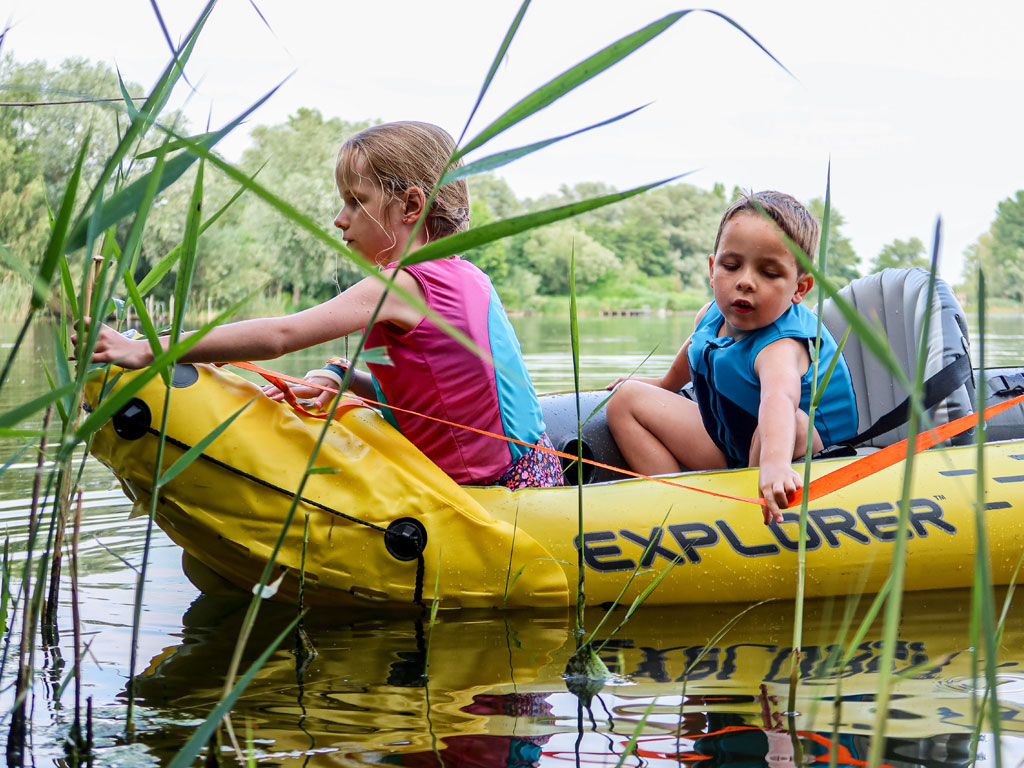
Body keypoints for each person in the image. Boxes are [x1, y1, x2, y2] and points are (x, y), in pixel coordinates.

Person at [80, 121, 563, 489]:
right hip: (533, 467)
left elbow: (280, 336)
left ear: (411, 206)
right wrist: (342, 374)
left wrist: (146, 350)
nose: (339, 219)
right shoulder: (466, 276)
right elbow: (437, 396)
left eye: (356, 201)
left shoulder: (398, 285)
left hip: (495, 489)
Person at [606, 191, 857, 523]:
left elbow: (779, 399)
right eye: (731, 266)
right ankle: (676, 508)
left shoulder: (781, 347)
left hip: (792, 453)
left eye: (768, 273)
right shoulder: (710, 315)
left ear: (800, 288)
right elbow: (697, 347)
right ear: (713, 269)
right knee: (624, 401)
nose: (745, 282)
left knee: (796, 424)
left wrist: (775, 463)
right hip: (731, 445)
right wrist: (664, 384)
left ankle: (752, 510)